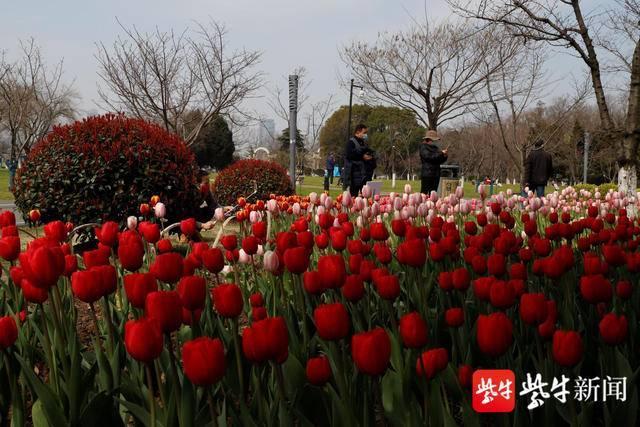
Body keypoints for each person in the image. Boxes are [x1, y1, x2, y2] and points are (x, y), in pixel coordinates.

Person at [343, 124, 374, 196]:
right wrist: (362, 156)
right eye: (364, 133)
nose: (366, 135)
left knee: (364, 196)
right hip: (354, 175)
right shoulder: (351, 142)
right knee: (354, 195)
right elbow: (350, 155)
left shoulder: (362, 142)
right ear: (358, 132)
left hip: (363, 174)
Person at [419, 129, 448, 195]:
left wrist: (444, 156)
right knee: (424, 193)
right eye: (434, 140)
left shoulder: (435, 148)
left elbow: (439, 160)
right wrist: (440, 153)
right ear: (429, 139)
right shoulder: (423, 147)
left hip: (436, 173)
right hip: (427, 173)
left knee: (433, 193)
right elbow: (429, 157)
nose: (435, 141)